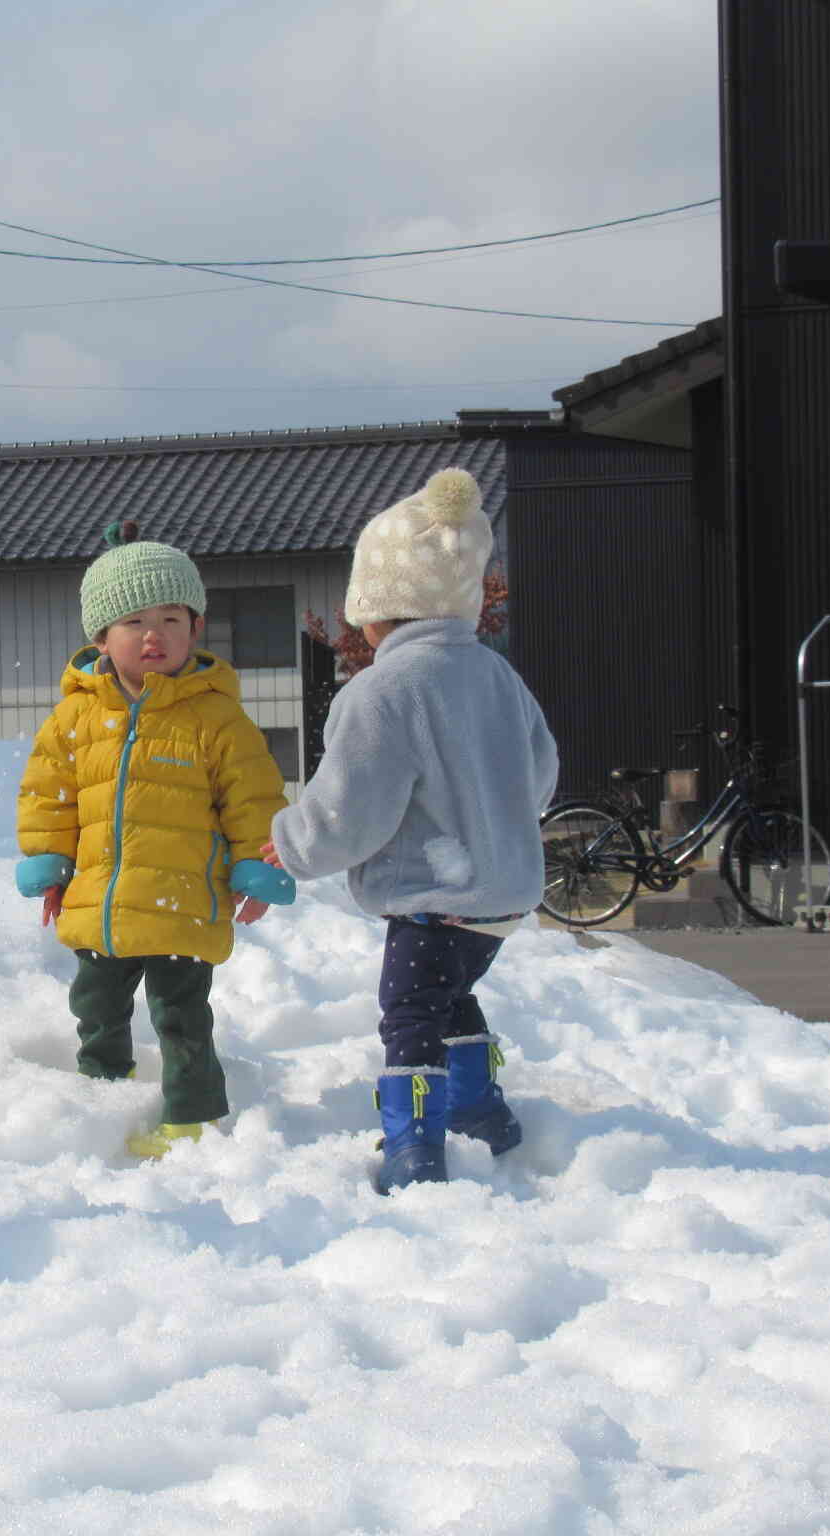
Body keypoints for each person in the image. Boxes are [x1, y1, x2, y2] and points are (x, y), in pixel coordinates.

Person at [265, 468, 557, 1194]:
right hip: (503, 902)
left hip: (437, 898)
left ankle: (416, 1144)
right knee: (451, 996)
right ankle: (482, 1111)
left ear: (377, 609)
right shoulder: (498, 677)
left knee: (408, 1019)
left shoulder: (383, 691)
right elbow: (542, 775)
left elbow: (351, 809)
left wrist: (294, 845)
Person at [16, 522, 295, 1158]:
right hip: (101, 901)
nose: (154, 635)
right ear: (101, 636)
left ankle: (192, 1119)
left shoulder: (216, 716)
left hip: (181, 903)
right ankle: (103, 1098)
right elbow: (49, 794)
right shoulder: (75, 717)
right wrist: (50, 861)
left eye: (172, 618)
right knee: (95, 1008)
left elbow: (253, 797)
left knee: (182, 1018)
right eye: (134, 621)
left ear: (195, 629)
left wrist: (257, 864)